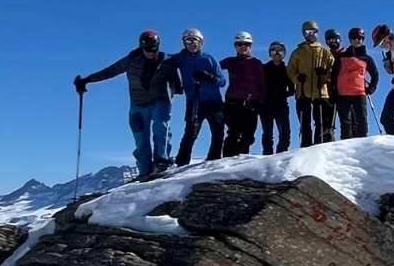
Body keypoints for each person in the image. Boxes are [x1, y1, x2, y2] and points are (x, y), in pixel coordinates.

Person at [73, 30, 179, 178]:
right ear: (142, 47)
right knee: (141, 138)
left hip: (160, 101)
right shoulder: (131, 60)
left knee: (161, 128)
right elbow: (110, 71)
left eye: (155, 49)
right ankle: (144, 171)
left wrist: (177, 87)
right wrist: (86, 80)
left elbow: (175, 80)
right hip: (138, 105)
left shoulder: (167, 61)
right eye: (148, 49)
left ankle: (161, 162)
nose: (152, 53)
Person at [169, 28, 227, 166]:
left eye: (195, 41)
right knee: (190, 133)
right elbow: (163, 61)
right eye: (188, 41)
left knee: (218, 132)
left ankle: (214, 161)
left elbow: (222, 82)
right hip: (193, 101)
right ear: (184, 43)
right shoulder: (179, 58)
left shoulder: (209, 59)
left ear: (201, 43)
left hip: (214, 102)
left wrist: (209, 77)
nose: (192, 45)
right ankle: (181, 163)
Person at [287, 20, 334, 147]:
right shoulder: (298, 52)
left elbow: (332, 70)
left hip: (320, 91)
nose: (311, 34)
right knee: (305, 123)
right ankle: (305, 147)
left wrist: (324, 74)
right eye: (308, 32)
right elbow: (290, 70)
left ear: (317, 33)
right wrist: (297, 78)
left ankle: (320, 146)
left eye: (314, 31)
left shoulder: (325, 52)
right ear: (304, 34)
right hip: (303, 91)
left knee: (321, 122)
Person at [220, 32, 266, 157]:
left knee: (248, 134)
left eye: (246, 44)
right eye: (240, 44)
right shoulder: (230, 61)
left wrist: (261, 100)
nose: (243, 47)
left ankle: (241, 160)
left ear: (250, 46)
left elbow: (261, 83)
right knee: (233, 132)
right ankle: (226, 160)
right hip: (233, 101)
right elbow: (215, 68)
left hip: (251, 102)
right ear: (235, 46)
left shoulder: (256, 63)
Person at [330, 26, 380, 139]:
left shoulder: (367, 58)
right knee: (345, 123)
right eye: (354, 38)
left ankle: (362, 144)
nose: (357, 40)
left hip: (359, 93)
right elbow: (334, 75)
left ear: (363, 40)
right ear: (350, 39)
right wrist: (333, 91)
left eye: (360, 38)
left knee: (361, 122)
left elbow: (375, 75)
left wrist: (371, 88)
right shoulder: (341, 57)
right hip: (342, 94)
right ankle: (346, 145)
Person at [260, 40, 292, 154]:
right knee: (267, 133)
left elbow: (292, 89)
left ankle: (280, 156)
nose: (277, 53)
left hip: (281, 105)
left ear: (284, 54)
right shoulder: (263, 69)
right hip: (266, 105)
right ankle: (267, 156)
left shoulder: (287, 70)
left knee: (285, 134)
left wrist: (283, 94)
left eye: (280, 51)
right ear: (269, 53)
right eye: (274, 50)